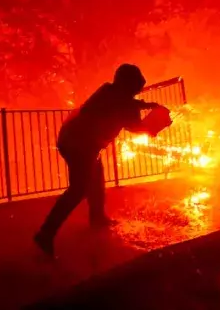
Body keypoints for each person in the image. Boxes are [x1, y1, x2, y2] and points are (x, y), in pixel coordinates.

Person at [34, 64, 171, 257]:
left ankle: (97, 218)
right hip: (80, 144)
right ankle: (45, 233)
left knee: (97, 178)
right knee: (78, 189)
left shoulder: (109, 90)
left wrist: (148, 106)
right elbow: (136, 126)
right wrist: (158, 123)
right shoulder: (121, 101)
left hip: (76, 139)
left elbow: (129, 104)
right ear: (130, 84)